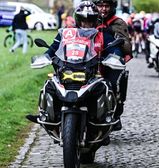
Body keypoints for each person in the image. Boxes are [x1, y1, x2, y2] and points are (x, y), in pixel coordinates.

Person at [26, 2, 124, 137]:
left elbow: (114, 48)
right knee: (50, 85)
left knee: (106, 86)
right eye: (83, 20)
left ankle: (105, 118)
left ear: (95, 20)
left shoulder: (103, 34)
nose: (86, 24)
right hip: (67, 70)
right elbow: (53, 48)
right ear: (78, 20)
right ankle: (47, 116)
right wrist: (46, 56)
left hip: (92, 73)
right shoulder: (67, 33)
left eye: (90, 20)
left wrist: (115, 57)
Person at [92, 0, 133, 131]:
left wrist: (112, 34)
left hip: (111, 61)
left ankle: (114, 113)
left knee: (114, 84)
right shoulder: (88, 19)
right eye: (100, 6)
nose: (103, 9)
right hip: (90, 59)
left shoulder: (118, 22)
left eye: (106, 6)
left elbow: (127, 47)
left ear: (112, 7)